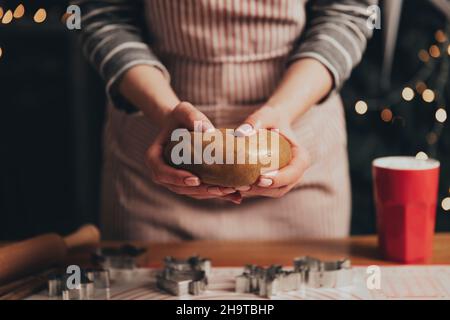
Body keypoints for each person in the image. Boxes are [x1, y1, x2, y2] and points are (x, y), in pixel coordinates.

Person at [75, 0, 376, 241]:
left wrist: (283, 110)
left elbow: (347, 12)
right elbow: (101, 14)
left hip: (295, 149)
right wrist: (165, 111)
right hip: (157, 154)